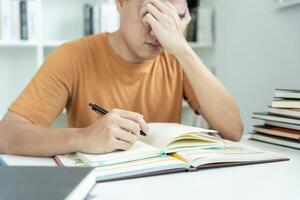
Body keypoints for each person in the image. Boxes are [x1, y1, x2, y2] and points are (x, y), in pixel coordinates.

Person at [0, 0, 243, 157]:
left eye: (173, 18)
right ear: (120, 3)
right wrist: (82, 137)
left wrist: (182, 48)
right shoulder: (72, 56)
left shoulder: (178, 58)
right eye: (151, 13)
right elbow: (7, 135)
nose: (158, 31)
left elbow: (233, 130)